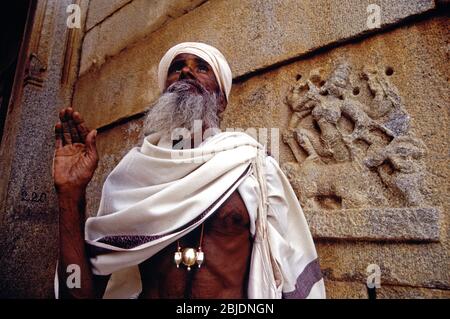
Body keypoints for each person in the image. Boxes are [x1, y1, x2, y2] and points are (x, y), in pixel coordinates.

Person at [53, 42, 325, 299]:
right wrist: (69, 192)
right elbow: (79, 293)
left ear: (221, 100)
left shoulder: (252, 167)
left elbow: (292, 275)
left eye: (201, 67)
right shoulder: (131, 177)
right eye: (177, 67)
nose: (186, 71)